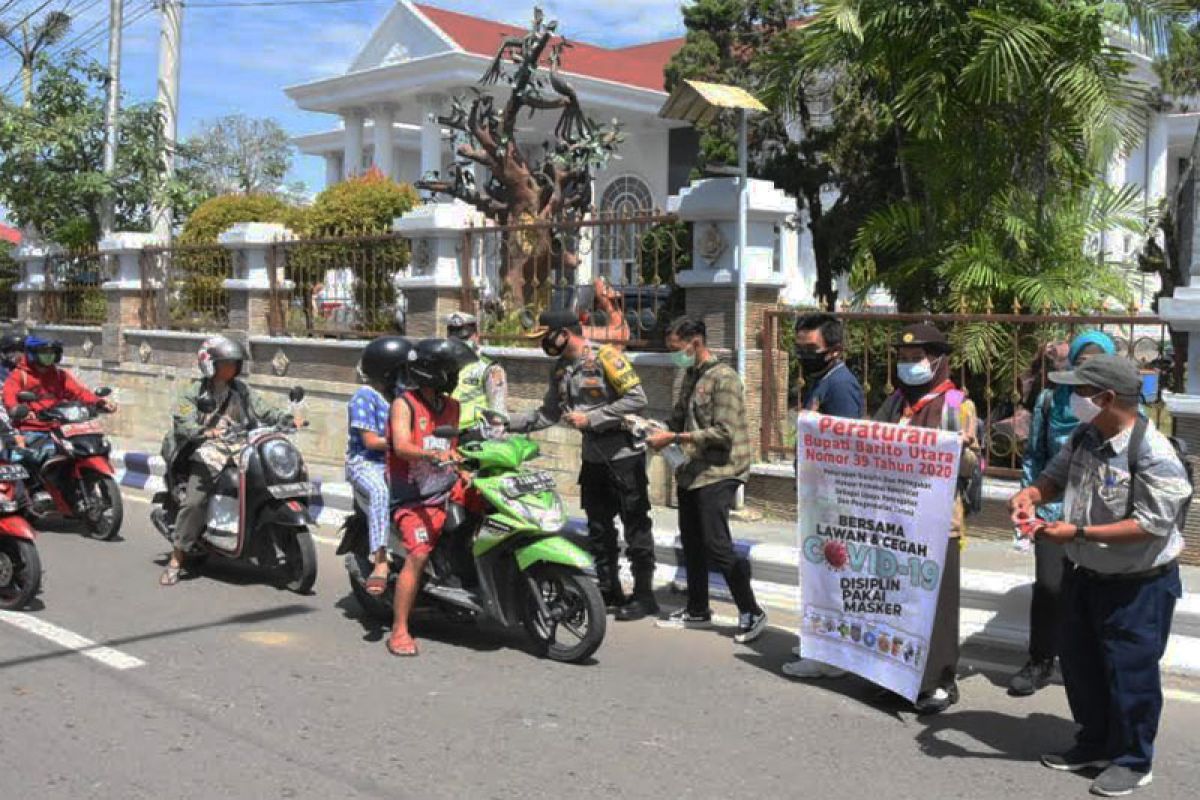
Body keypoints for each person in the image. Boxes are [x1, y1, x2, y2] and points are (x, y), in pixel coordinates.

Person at [1009, 356, 1188, 798]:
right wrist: (1030, 495)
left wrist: (1079, 532)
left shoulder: (1153, 452)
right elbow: (1054, 477)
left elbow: (1151, 524)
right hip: (1085, 574)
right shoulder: (1086, 435)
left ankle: (1132, 760)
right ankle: (1092, 743)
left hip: (1138, 584)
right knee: (1081, 665)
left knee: (1131, 675)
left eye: (1080, 391)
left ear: (1106, 398)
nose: (1071, 398)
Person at [509, 309, 659, 622]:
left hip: (623, 457)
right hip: (592, 460)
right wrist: (507, 424)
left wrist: (591, 418)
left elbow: (637, 398)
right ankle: (608, 590)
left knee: (635, 526)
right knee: (599, 528)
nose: (543, 344)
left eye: (546, 337)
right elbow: (548, 413)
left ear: (565, 333)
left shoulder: (606, 357)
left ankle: (644, 596)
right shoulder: (561, 371)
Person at [873, 324, 980, 714]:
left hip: (937, 522)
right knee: (895, 600)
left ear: (936, 361)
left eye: (915, 359)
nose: (907, 366)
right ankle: (897, 676)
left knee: (936, 604)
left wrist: (962, 449)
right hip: (893, 517)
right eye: (902, 360)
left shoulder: (955, 404)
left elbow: (972, 466)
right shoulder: (895, 402)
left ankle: (938, 682)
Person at [646, 317, 767, 644]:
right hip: (691, 471)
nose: (674, 354)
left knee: (717, 543)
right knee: (692, 541)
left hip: (720, 470)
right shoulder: (690, 375)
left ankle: (751, 611)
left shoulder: (724, 379)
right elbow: (679, 417)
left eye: (676, 347)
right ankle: (697, 608)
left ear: (694, 341)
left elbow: (724, 433)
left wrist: (676, 436)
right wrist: (651, 429)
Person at [1008, 331, 1116, 697]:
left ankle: (1091, 665)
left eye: (1098, 364)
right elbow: (1035, 456)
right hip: (1054, 510)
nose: (1089, 373)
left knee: (1095, 592)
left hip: (1099, 517)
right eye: (1083, 365)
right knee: (1050, 586)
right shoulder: (1051, 400)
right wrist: (1029, 501)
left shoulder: (1123, 405)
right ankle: (1040, 661)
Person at [159, 336, 296, 586]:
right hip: (206, 448)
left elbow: (263, 409)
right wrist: (205, 431)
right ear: (209, 364)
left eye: (235, 363)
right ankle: (177, 558)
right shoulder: (194, 392)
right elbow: (183, 421)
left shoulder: (241, 389)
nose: (232, 368)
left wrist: (286, 418)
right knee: (195, 501)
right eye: (226, 363)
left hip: (239, 443)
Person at [783, 312, 865, 679]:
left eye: (810, 347)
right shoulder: (823, 380)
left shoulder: (841, 386)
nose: (804, 353)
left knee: (829, 578)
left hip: (834, 499)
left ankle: (828, 655)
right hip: (819, 495)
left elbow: (847, 446)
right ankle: (829, 652)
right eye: (799, 347)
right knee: (823, 576)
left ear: (834, 348)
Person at [386, 337, 476, 657]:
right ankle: (399, 630)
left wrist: (465, 463)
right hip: (413, 499)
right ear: (430, 372)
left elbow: (454, 446)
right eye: (448, 370)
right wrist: (428, 454)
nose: (453, 376)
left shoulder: (453, 407)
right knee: (419, 553)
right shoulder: (405, 404)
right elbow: (400, 445)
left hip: (447, 487)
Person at [347, 336, 412, 598]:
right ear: (388, 371)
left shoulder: (401, 395)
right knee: (380, 492)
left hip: (398, 459)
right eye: (402, 370)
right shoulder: (365, 396)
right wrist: (405, 443)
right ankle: (381, 560)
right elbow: (371, 441)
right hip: (366, 463)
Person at [446, 312, 508, 428]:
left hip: (474, 436)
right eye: (454, 338)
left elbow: (498, 415)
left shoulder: (490, 369)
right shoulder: (442, 366)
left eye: (464, 338)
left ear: (476, 337)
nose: (459, 343)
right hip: (444, 434)